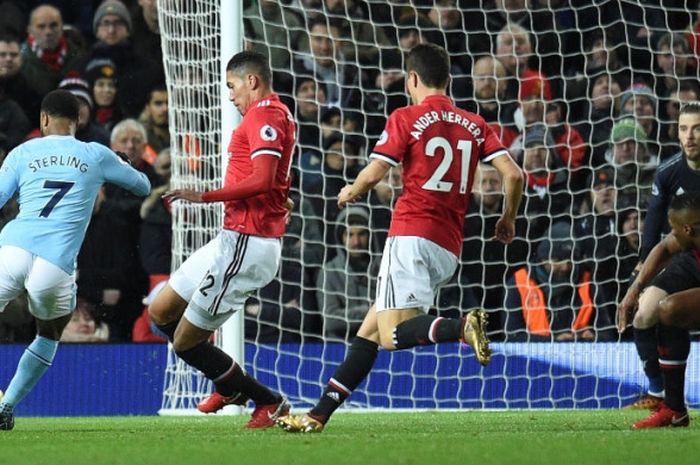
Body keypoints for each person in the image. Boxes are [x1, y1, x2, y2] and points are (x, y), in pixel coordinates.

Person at [278, 43, 524, 433]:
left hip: (410, 235)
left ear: (411, 79)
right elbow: (514, 175)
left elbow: (375, 172)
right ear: (448, 79)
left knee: (392, 335)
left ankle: (460, 327)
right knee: (370, 333)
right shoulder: (475, 123)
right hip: (448, 247)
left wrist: (350, 192)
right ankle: (317, 415)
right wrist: (507, 219)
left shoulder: (406, 116)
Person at [147, 51, 295, 429]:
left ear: (252, 82)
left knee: (184, 343)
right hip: (231, 238)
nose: (230, 95)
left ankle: (268, 401)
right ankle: (228, 384)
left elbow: (263, 179)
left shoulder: (265, 114)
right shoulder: (274, 115)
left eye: (232, 86)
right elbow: (274, 180)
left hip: (247, 243)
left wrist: (206, 195)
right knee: (161, 311)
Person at [0, 89, 150, 430]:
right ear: (79, 121)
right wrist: (121, 164)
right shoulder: (95, 154)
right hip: (55, 264)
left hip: (12, 249)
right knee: (50, 332)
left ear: (43, 120)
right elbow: (141, 186)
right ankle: (6, 406)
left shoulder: (22, 152)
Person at [619, 101, 700, 411]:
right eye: (683, 129)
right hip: (689, 258)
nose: (689, 136)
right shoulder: (668, 173)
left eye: (696, 128)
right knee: (646, 312)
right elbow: (656, 231)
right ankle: (658, 393)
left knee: (669, 311)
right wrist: (639, 278)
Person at [617, 192, 700, 428]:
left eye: (673, 229)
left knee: (672, 309)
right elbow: (664, 247)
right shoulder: (690, 235)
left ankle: (673, 408)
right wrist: (634, 289)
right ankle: (671, 406)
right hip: (693, 263)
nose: (671, 234)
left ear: (688, 231)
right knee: (658, 308)